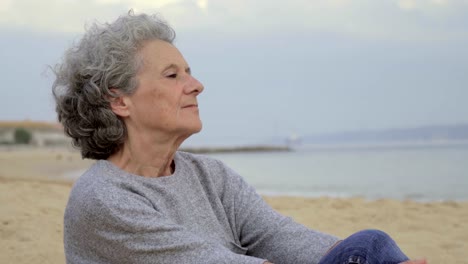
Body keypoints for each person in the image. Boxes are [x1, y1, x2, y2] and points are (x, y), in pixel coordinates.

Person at [52, 11, 427, 264]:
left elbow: (276, 235)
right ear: (119, 100)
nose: (196, 86)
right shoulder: (103, 200)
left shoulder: (210, 175)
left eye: (189, 73)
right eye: (172, 76)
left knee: (369, 245)